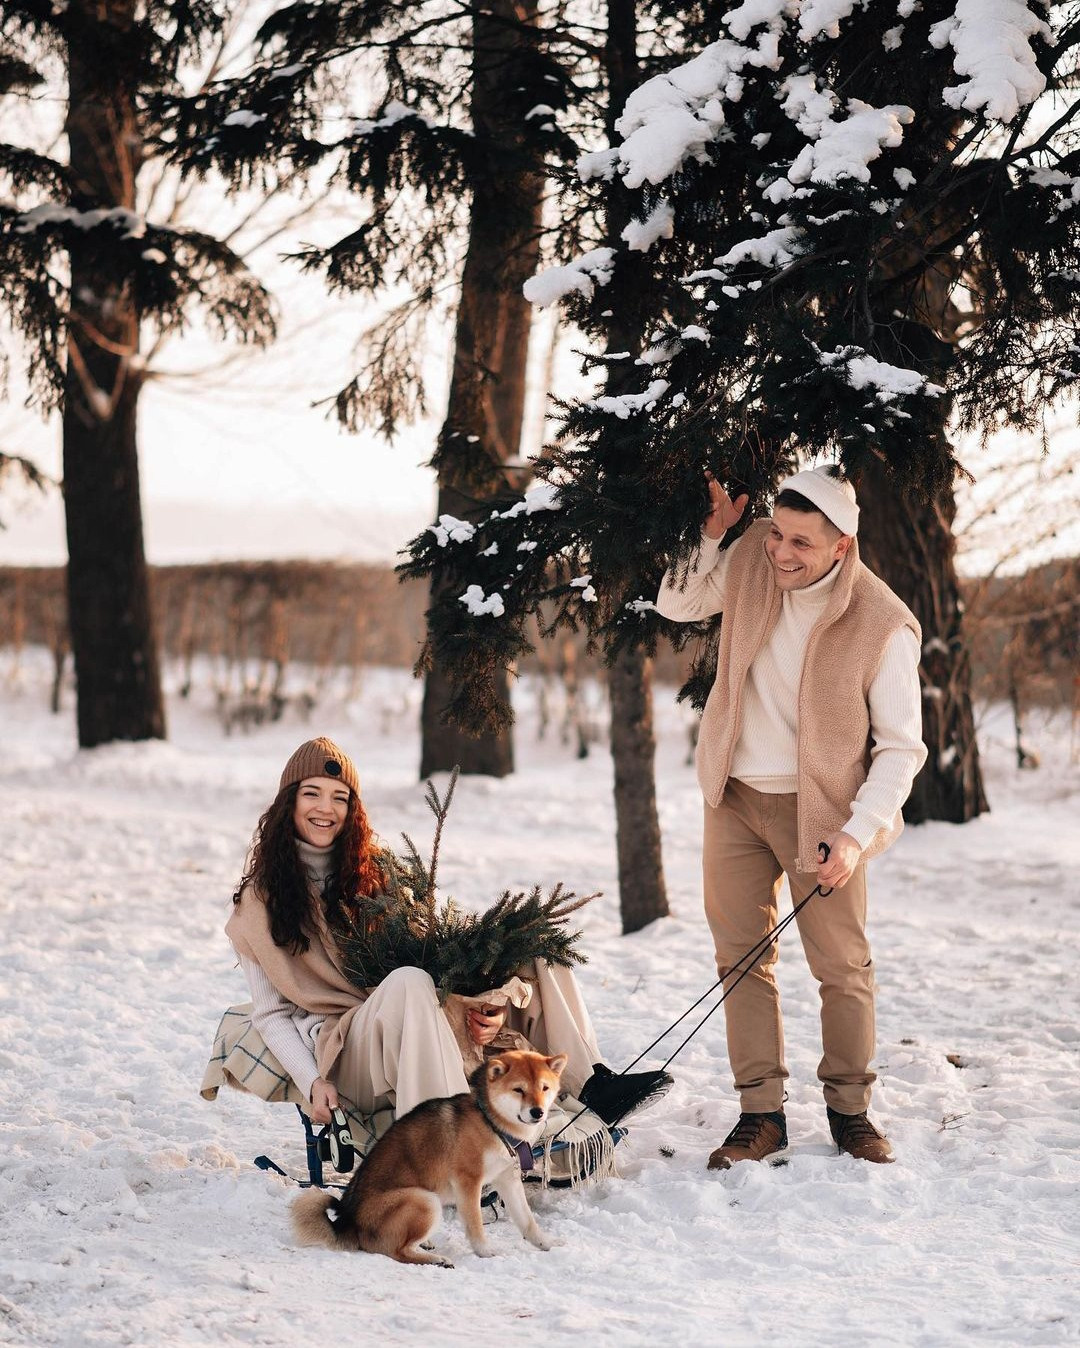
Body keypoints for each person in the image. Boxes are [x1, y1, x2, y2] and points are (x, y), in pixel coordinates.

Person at [655, 465, 926, 1168]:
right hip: (736, 796)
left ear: (842, 545)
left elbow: (901, 749)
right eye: (779, 533)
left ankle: (851, 1111)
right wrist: (712, 540)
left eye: (802, 543)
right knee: (740, 959)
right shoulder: (749, 557)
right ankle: (759, 1113)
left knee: (842, 966)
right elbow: (676, 605)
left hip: (824, 815)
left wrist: (856, 836)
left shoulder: (883, 622)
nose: (781, 552)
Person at [223, 736, 671, 1150]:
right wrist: (310, 1081)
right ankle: (451, 1149)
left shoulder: (374, 874)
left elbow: (436, 960)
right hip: (344, 1050)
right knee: (407, 982)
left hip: (411, 1015)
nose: (326, 808)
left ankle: (591, 1085)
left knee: (532, 948)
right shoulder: (259, 902)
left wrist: (480, 1009)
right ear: (290, 802)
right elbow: (271, 1015)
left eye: (340, 797)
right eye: (312, 794)